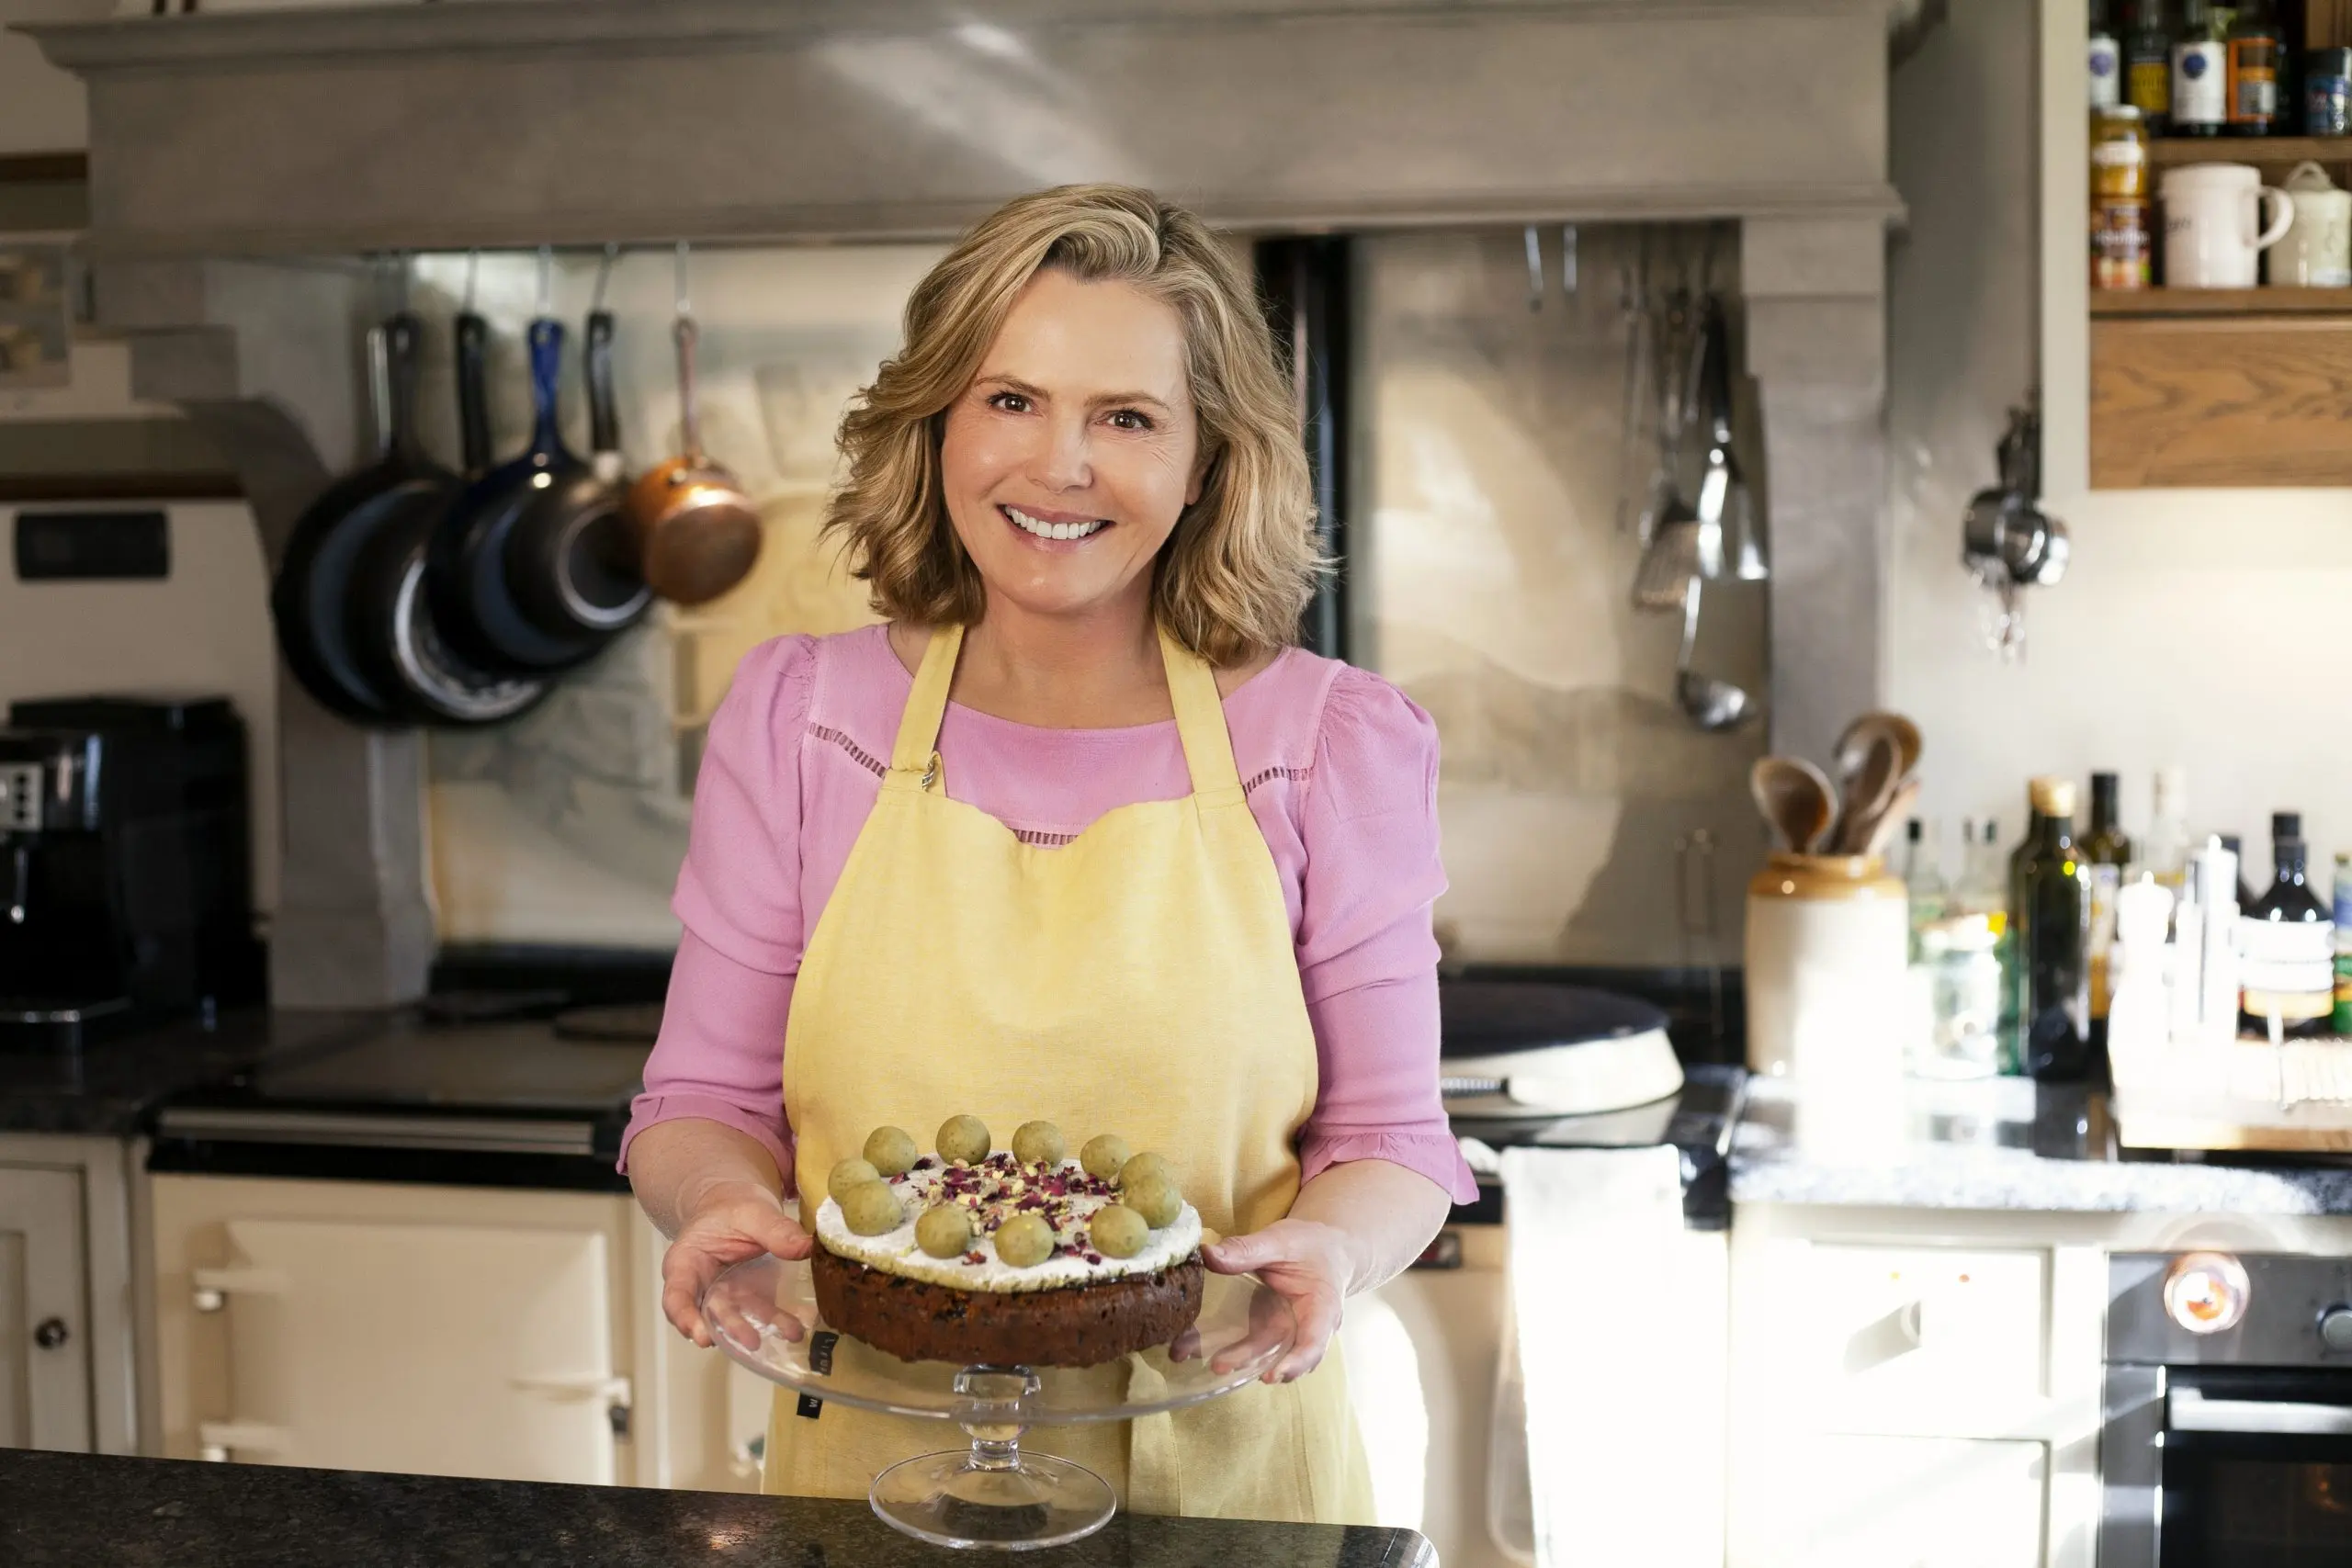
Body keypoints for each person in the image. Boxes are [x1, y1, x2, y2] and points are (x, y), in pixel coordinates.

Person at [621, 183, 1475, 1522]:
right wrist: (720, 1202)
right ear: (939, 422)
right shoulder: (803, 721)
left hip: (1235, 1488)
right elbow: (696, 1104)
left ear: (1207, 459)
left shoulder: (1332, 742)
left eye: (1126, 417)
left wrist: (1337, 1243)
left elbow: (1393, 1138)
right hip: (874, 1478)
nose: (1057, 465)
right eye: (1010, 400)